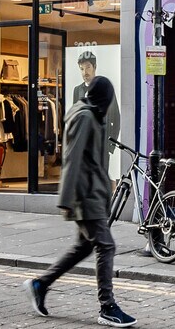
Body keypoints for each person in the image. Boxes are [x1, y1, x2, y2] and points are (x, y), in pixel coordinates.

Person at [28, 76, 136, 327]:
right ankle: (107, 306)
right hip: (85, 196)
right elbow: (73, 158)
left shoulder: (92, 115)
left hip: (93, 194)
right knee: (106, 246)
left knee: (84, 247)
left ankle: (40, 284)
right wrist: (66, 198)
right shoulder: (85, 117)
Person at [75, 52, 119, 150]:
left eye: (88, 67)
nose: (84, 72)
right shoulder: (77, 90)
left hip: (101, 146)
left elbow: (116, 119)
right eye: (81, 69)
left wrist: (109, 147)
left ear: (95, 67)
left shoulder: (105, 88)